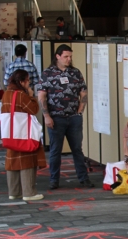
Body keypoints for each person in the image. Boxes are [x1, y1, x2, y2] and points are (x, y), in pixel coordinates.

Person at [37, 44, 93, 190]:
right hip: (56, 117)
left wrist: (80, 111)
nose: (69, 59)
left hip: (73, 117)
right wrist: (46, 116)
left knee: (77, 149)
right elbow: (42, 96)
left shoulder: (75, 73)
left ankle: (83, 178)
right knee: (56, 150)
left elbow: (83, 92)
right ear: (57, 56)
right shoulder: (48, 73)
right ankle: (54, 179)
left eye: (70, 56)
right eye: (66, 56)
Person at [2, 70, 46, 201]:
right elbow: (33, 109)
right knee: (27, 160)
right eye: (27, 81)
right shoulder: (21, 94)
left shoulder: (6, 93)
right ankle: (29, 192)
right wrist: (31, 96)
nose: (29, 83)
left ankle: (14, 192)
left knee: (12, 160)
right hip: (23, 133)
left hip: (11, 132)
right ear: (21, 82)